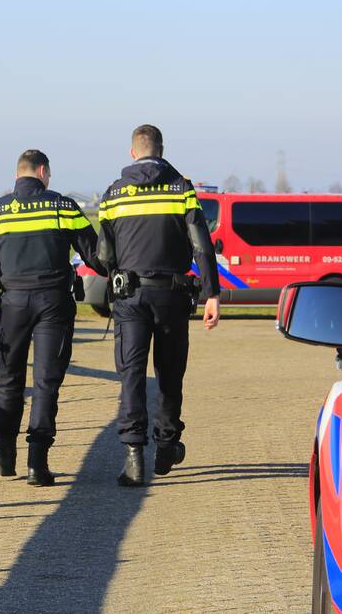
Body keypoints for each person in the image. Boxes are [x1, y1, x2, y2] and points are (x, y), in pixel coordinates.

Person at [0, 150, 104, 486]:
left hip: (12, 305)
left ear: (18, 174)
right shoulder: (63, 207)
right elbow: (96, 256)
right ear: (43, 171)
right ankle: (37, 464)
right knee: (45, 384)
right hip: (54, 304)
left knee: (9, 381)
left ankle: (6, 454)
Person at [97, 124, 220, 486]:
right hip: (172, 295)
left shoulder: (112, 194)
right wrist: (212, 294)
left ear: (132, 152)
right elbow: (201, 244)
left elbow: (104, 254)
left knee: (132, 375)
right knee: (170, 374)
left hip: (130, 298)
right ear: (162, 151)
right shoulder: (182, 189)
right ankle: (166, 447)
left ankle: (134, 458)